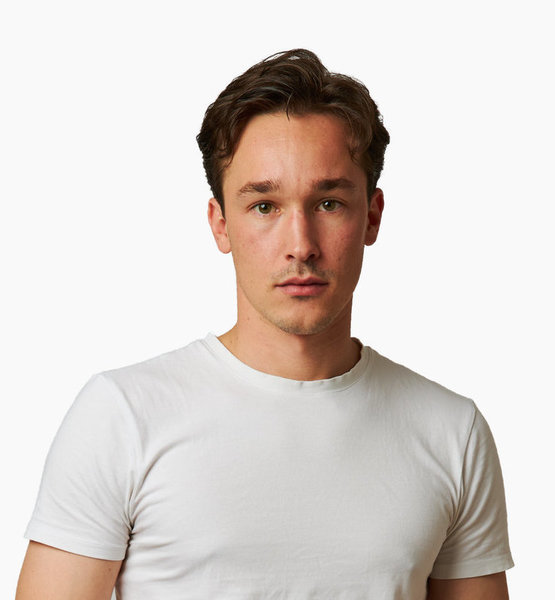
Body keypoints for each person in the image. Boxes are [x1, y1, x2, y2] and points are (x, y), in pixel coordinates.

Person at [16, 49, 514, 599]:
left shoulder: (452, 433)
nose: (301, 246)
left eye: (329, 203)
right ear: (221, 224)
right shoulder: (123, 416)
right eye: (264, 206)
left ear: (371, 216)